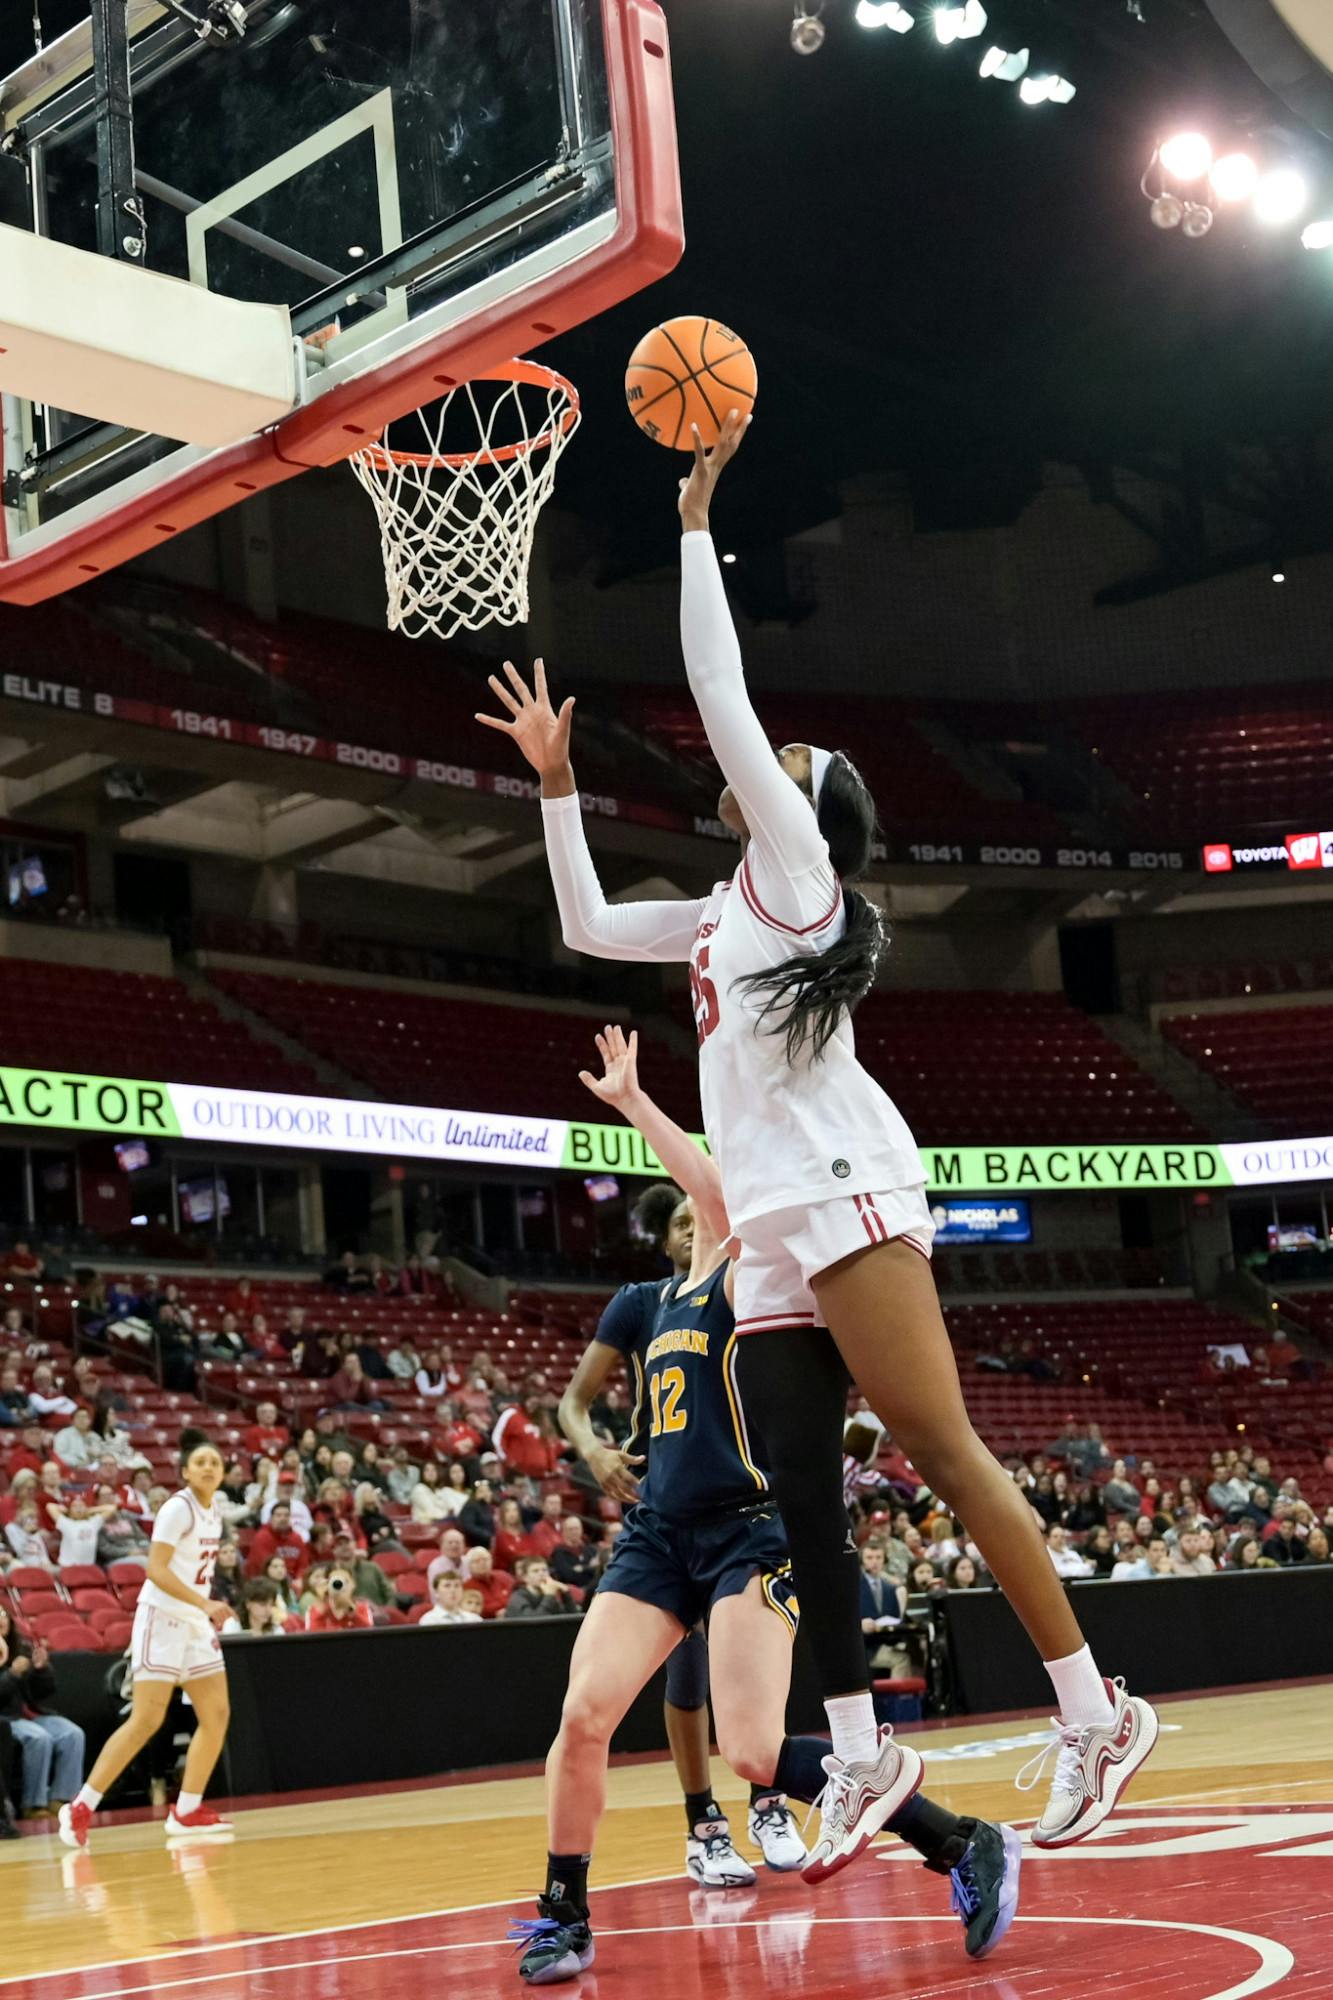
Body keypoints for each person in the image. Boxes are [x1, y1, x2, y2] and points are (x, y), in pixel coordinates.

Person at [481, 417, 1156, 1869]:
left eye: (790, 761)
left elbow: (718, 687)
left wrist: (688, 524)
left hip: (844, 1187)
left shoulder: (800, 878)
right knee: (799, 1489)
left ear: (812, 812)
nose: (761, 760)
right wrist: (554, 781)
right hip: (773, 1221)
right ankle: (852, 1755)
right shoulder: (728, 907)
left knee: (937, 1445)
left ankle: (1095, 1708)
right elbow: (591, 925)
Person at [508, 1027, 1019, 1985]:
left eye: (716, 1199)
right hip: (661, 1533)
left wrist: (634, 1105)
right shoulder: (656, 1302)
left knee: (749, 1749)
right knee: (582, 1716)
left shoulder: (749, 1279)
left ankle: (959, 1843)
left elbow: (705, 1182)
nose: (704, 1209)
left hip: (751, 1532)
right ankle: (563, 1913)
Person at [59, 1430, 232, 1849]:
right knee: (146, 1720)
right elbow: (155, 1569)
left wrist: (202, 1609)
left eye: (215, 1461)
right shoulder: (178, 1508)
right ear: (186, 1472)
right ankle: (81, 1805)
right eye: (200, 1462)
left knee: (217, 1713)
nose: (209, 1467)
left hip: (192, 1621)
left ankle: (187, 1809)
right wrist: (205, 1605)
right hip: (163, 1618)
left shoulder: (214, 1512)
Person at [0, 1604, 86, 1819]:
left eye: (3, 1615)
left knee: (72, 1734)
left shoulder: (21, 1648)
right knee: (39, 1738)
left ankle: (62, 1798)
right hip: (5, 1717)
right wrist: (11, 1675)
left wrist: (41, 1670)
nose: (1, 1620)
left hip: (29, 1713)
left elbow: (44, 1692)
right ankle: (33, 1804)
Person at [304, 1563, 374, 1631]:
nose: (340, 1586)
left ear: (353, 1584)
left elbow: (370, 1636)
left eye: (345, 1581)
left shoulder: (363, 1608)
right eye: (334, 1581)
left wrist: (352, 1613)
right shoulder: (315, 1609)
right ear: (327, 1584)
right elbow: (312, 1637)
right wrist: (323, 1610)